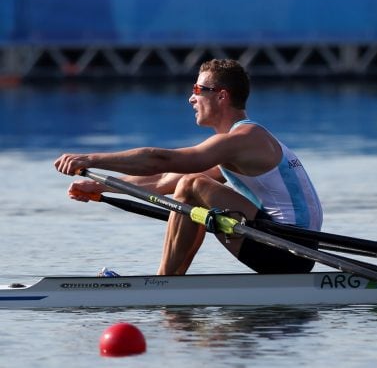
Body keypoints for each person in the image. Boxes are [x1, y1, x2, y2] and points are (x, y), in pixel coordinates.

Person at [54, 58, 323, 275]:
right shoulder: (239, 145)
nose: (191, 99)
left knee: (192, 185)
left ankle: (164, 284)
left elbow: (164, 160)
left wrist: (91, 159)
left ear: (221, 96)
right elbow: (162, 181)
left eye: (197, 90)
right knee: (189, 184)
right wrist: (100, 186)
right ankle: (169, 283)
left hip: (288, 250)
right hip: (288, 247)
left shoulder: (244, 139)